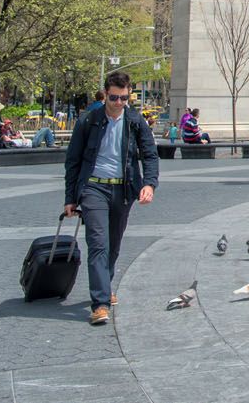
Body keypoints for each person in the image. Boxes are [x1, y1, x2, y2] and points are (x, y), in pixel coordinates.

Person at [63, 71, 158, 326]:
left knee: (113, 245)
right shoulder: (88, 120)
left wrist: (149, 184)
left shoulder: (136, 121)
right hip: (94, 187)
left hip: (124, 189)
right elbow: (73, 161)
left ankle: (105, 285)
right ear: (105, 94)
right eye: (114, 98)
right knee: (98, 244)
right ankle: (100, 303)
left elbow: (149, 155)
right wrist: (71, 197)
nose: (118, 103)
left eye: (124, 98)